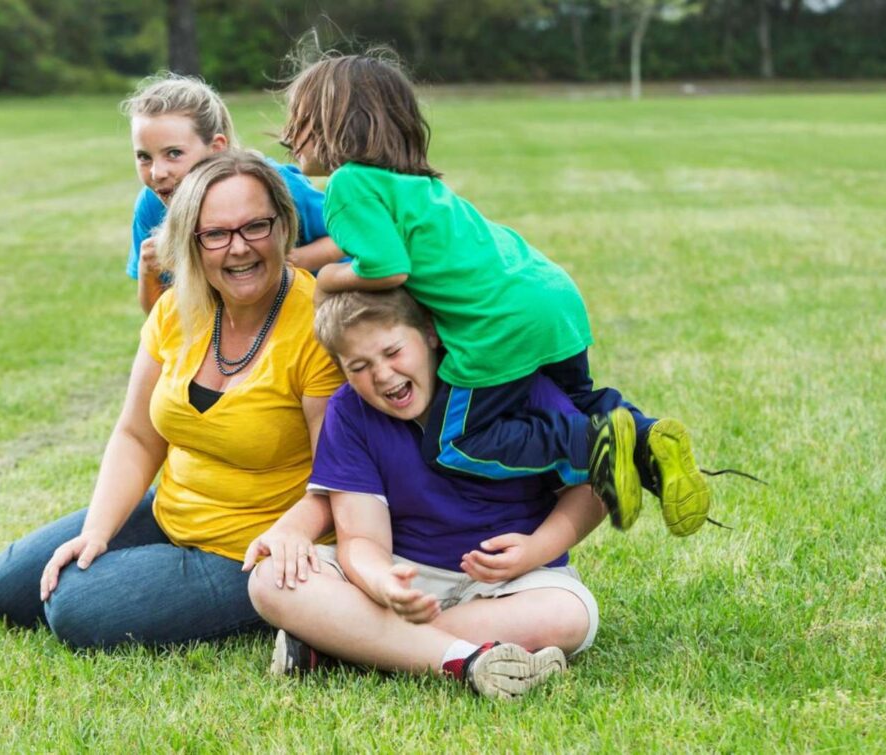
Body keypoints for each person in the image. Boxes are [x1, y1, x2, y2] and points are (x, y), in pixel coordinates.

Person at [280, 51, 711, 537]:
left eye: (298, 121)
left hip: (498, 324)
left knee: (457, 441)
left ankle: (599, 446)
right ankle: (651, 441)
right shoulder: (415, 185)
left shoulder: (348, 183)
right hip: (552, 297)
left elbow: (387, 269)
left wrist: (330, 279)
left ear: (333, 125)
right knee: (572, 399)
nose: (290, 136)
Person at [0, 150, 344, 649]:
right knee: (7, 587)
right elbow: (136, 435)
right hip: (172, 510)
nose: (238, 249)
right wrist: (98, 531)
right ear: (191, 244)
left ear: (283, 226)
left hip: (254, 547)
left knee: (76, 607)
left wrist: (288, 540)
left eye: (255, 227)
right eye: (215, 234)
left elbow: (339, 478)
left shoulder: (316, 327)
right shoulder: (177, 308)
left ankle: (290, 602)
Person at [250, 289, 603, 699]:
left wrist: (536, 549)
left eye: (393, 352)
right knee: (270, 580)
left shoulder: (514, 389)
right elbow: (361, 539)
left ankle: (343, 648)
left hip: (511, 583)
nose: (382, 374)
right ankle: (459, 658)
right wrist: (384, 583)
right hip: (405, 574)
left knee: (568, 616)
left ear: (431, 335)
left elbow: (592, 488)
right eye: (359, 366)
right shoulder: (349, 412)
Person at [121, 71, 342, 314]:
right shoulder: (152, 204)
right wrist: (148, 271)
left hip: (326, 311)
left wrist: (283, 259)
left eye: (174, 153)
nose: (157, 172)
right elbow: (159, 320)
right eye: (144, 157)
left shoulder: (275, 186)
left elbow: (347, 236)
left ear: (217, 147)